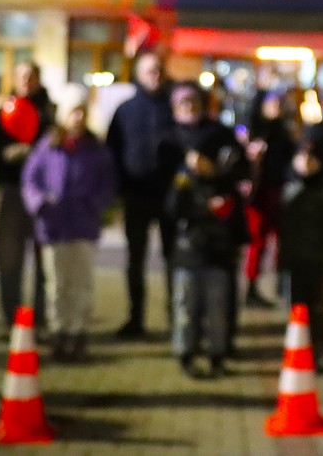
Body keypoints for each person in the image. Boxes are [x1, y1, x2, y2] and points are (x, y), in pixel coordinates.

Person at [21, 83, 116, 361]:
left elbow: (107, 183)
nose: (78, 117)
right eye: (73, 112)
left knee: (81, 283)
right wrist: (40, 202)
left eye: (82, 112)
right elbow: (31, 180)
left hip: (83, 225)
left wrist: (95, 204)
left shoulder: (96, 150)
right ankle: (58, 331)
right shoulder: (47, 147)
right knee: (56, 284)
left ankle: (78, 331)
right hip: (53, 226)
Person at [166, 135, 250, 379]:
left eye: (200, 157)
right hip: (188, 256)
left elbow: (238, 223)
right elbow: (172, 210)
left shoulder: (226, 186)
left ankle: (217, 355)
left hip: (218, 259)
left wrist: (235, 247)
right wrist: (182, 184)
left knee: (217, 311)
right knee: (186, 309)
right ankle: (185, 353)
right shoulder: (184, 183)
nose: (194, 162)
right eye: (191, 156)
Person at [106, 50, 175, 338]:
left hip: (170, 196)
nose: (155, 75)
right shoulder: (125, 110)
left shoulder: (175, 107)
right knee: (135, 260)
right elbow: (112, 151)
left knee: (174, 259)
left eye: (158, 70)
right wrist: (116, 190)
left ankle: (176, 320)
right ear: (139, 75)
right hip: (136, 195)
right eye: (149, 71)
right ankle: (136, 318)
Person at [277, 123, 323, 372]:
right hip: (295, 258)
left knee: (317, 311)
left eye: (311, 157)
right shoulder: (291, 184)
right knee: (298, 310)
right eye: (302, 155)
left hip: (319, 260)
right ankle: (308, 351)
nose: (305, 162)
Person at [0, 60, 54, 331]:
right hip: (12, 191)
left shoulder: (49, 112)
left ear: (39, 78)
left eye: (31, 75)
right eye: (22, 75)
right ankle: (13, 318)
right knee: (9, 257)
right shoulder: (4, 111)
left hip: (42, 194)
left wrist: (35, 153)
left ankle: (40, 317)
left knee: (44, 260)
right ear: (14, 79)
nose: (26, 80)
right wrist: (7, 155)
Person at [243, 89, 296, 308]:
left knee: (283, 241)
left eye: (279, 104)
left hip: (278, 191)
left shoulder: (284, 131)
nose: (277, 108)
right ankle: (252, 288)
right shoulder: (255, 131)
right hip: (259, 194)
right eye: (272, 103)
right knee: (257, 241)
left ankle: (282, 286)